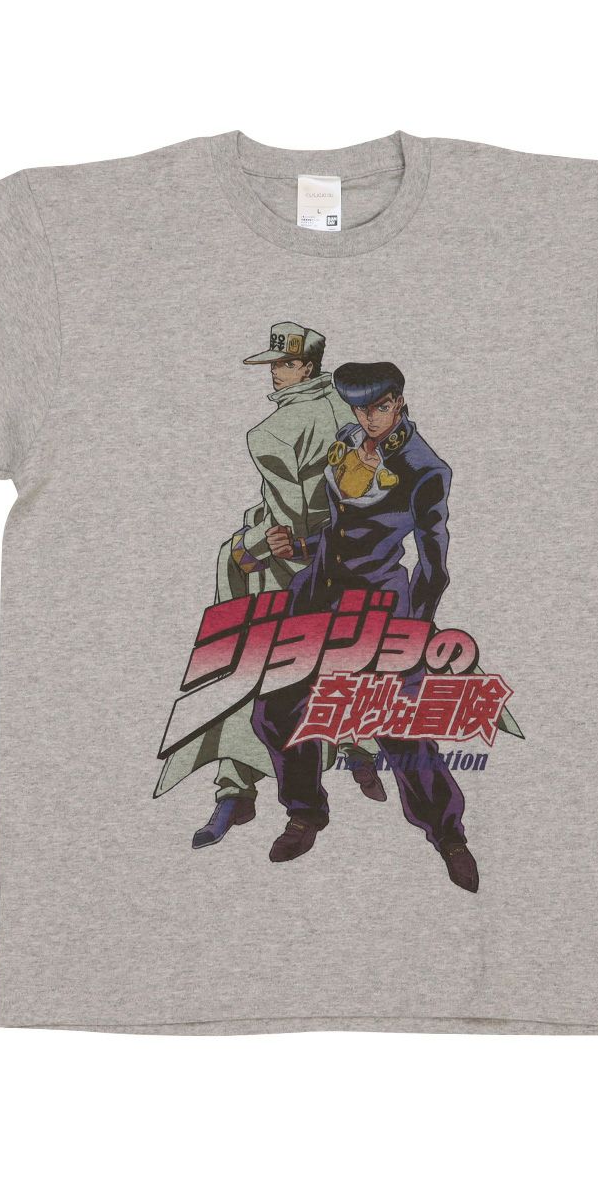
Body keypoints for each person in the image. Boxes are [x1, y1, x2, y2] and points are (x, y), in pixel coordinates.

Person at [153, 323, 385, 848]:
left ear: (307, 367)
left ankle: (239, 790)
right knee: (332, 660)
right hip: (353, 558)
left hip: (295, 568)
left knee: (250, 674)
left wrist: (251, 547)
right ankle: (354, 751)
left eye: (284, 364)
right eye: (275, 365)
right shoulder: (355, 410)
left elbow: (289, 522)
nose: (276, 373)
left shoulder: (274, 433)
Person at [252, 361, 480, 892]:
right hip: (317, 594)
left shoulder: (425, 469)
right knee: (277, 710)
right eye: (360, 408)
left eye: (379, 407)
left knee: (397, 724)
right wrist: (300, 546)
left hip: (379, 606)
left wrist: (414, 632)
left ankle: (448, 835)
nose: (368, 418)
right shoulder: (347, 442)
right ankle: (305, 812)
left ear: (398, 402)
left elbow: (434, 566)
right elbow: (341, 530)